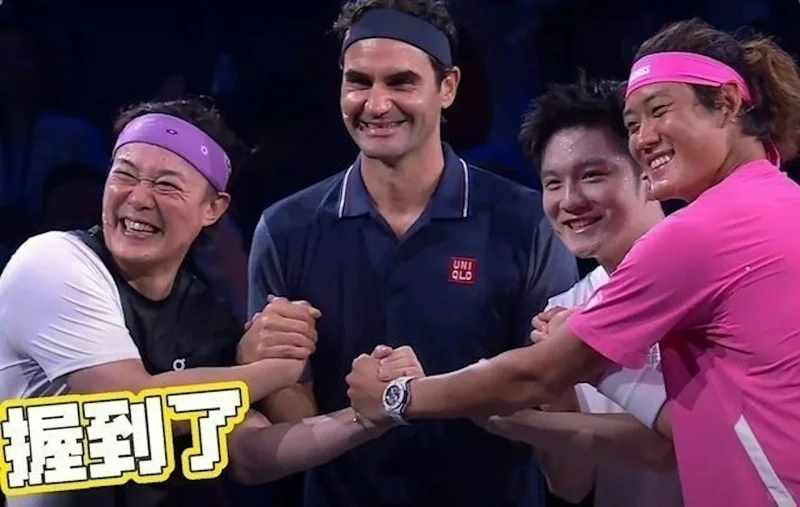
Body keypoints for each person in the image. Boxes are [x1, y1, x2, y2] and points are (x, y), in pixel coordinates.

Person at [346, 18, 800, 507]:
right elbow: (701, 424)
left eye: (659, 110)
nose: (645, 138)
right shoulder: (777, 202)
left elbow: (538, 376)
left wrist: (400, 397)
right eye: (633, 124)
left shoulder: (704, 230)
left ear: (727, 104)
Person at [0, 97, 422, 507]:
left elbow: (249, 454)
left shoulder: (204, 312)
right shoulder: (52, 262)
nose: (139, 198)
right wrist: (267, 370)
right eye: (124, 175)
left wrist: (368, 416)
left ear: (213, 208)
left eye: (166, 185)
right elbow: (126, 405)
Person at [243, 1, 578, 506]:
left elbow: (551, 402)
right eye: (359, 82)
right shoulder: (286, 228)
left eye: (401, 82)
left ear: (448, 87)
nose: (376, 105)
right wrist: (268, 365)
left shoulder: (528, 223)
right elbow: (290, 419)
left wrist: (410, 398)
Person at [476, 76, 682, 507]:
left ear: (649, 170)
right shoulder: (564, 309)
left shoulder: (709, 275)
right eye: (552, 183)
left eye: (591, 175)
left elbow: (682, 445)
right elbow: (570, 484)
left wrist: (511, 417)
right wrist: (555, 387)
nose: (569, 200)